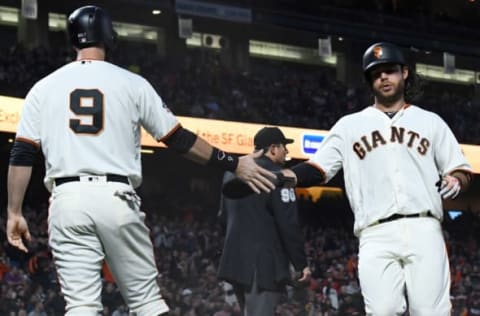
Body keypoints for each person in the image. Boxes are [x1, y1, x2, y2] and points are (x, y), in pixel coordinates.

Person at [5, 6, 276, 316]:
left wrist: (14, 211)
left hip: (67, 200)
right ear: (109, 36)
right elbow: (179, 140)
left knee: (81, 306)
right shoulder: (132, 83)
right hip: (116, 197)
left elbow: (22, 153)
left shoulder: (43, 87)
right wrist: (233, 163)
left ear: (72, 41)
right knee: (147, 304)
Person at [227, 42, 473, 315]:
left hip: (425, 227)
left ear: (404, 73)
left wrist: (456, 179)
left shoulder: (431, 122)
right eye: (375, 73)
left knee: (431, 312)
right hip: (375, 231)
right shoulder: (349, 125)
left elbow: (460, 168)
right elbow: (318, 169)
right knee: (381, 311)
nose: (383, 77)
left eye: (389, 70)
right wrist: (278, 177)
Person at [218, 127, 312, 316]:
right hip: (263, 266)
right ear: (273, 149)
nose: (287, 151)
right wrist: (301, 264)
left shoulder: (232, 173)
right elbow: (288, 224)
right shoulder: (279, 176)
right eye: (284, 146)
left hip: (235, 261)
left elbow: (222, 217)